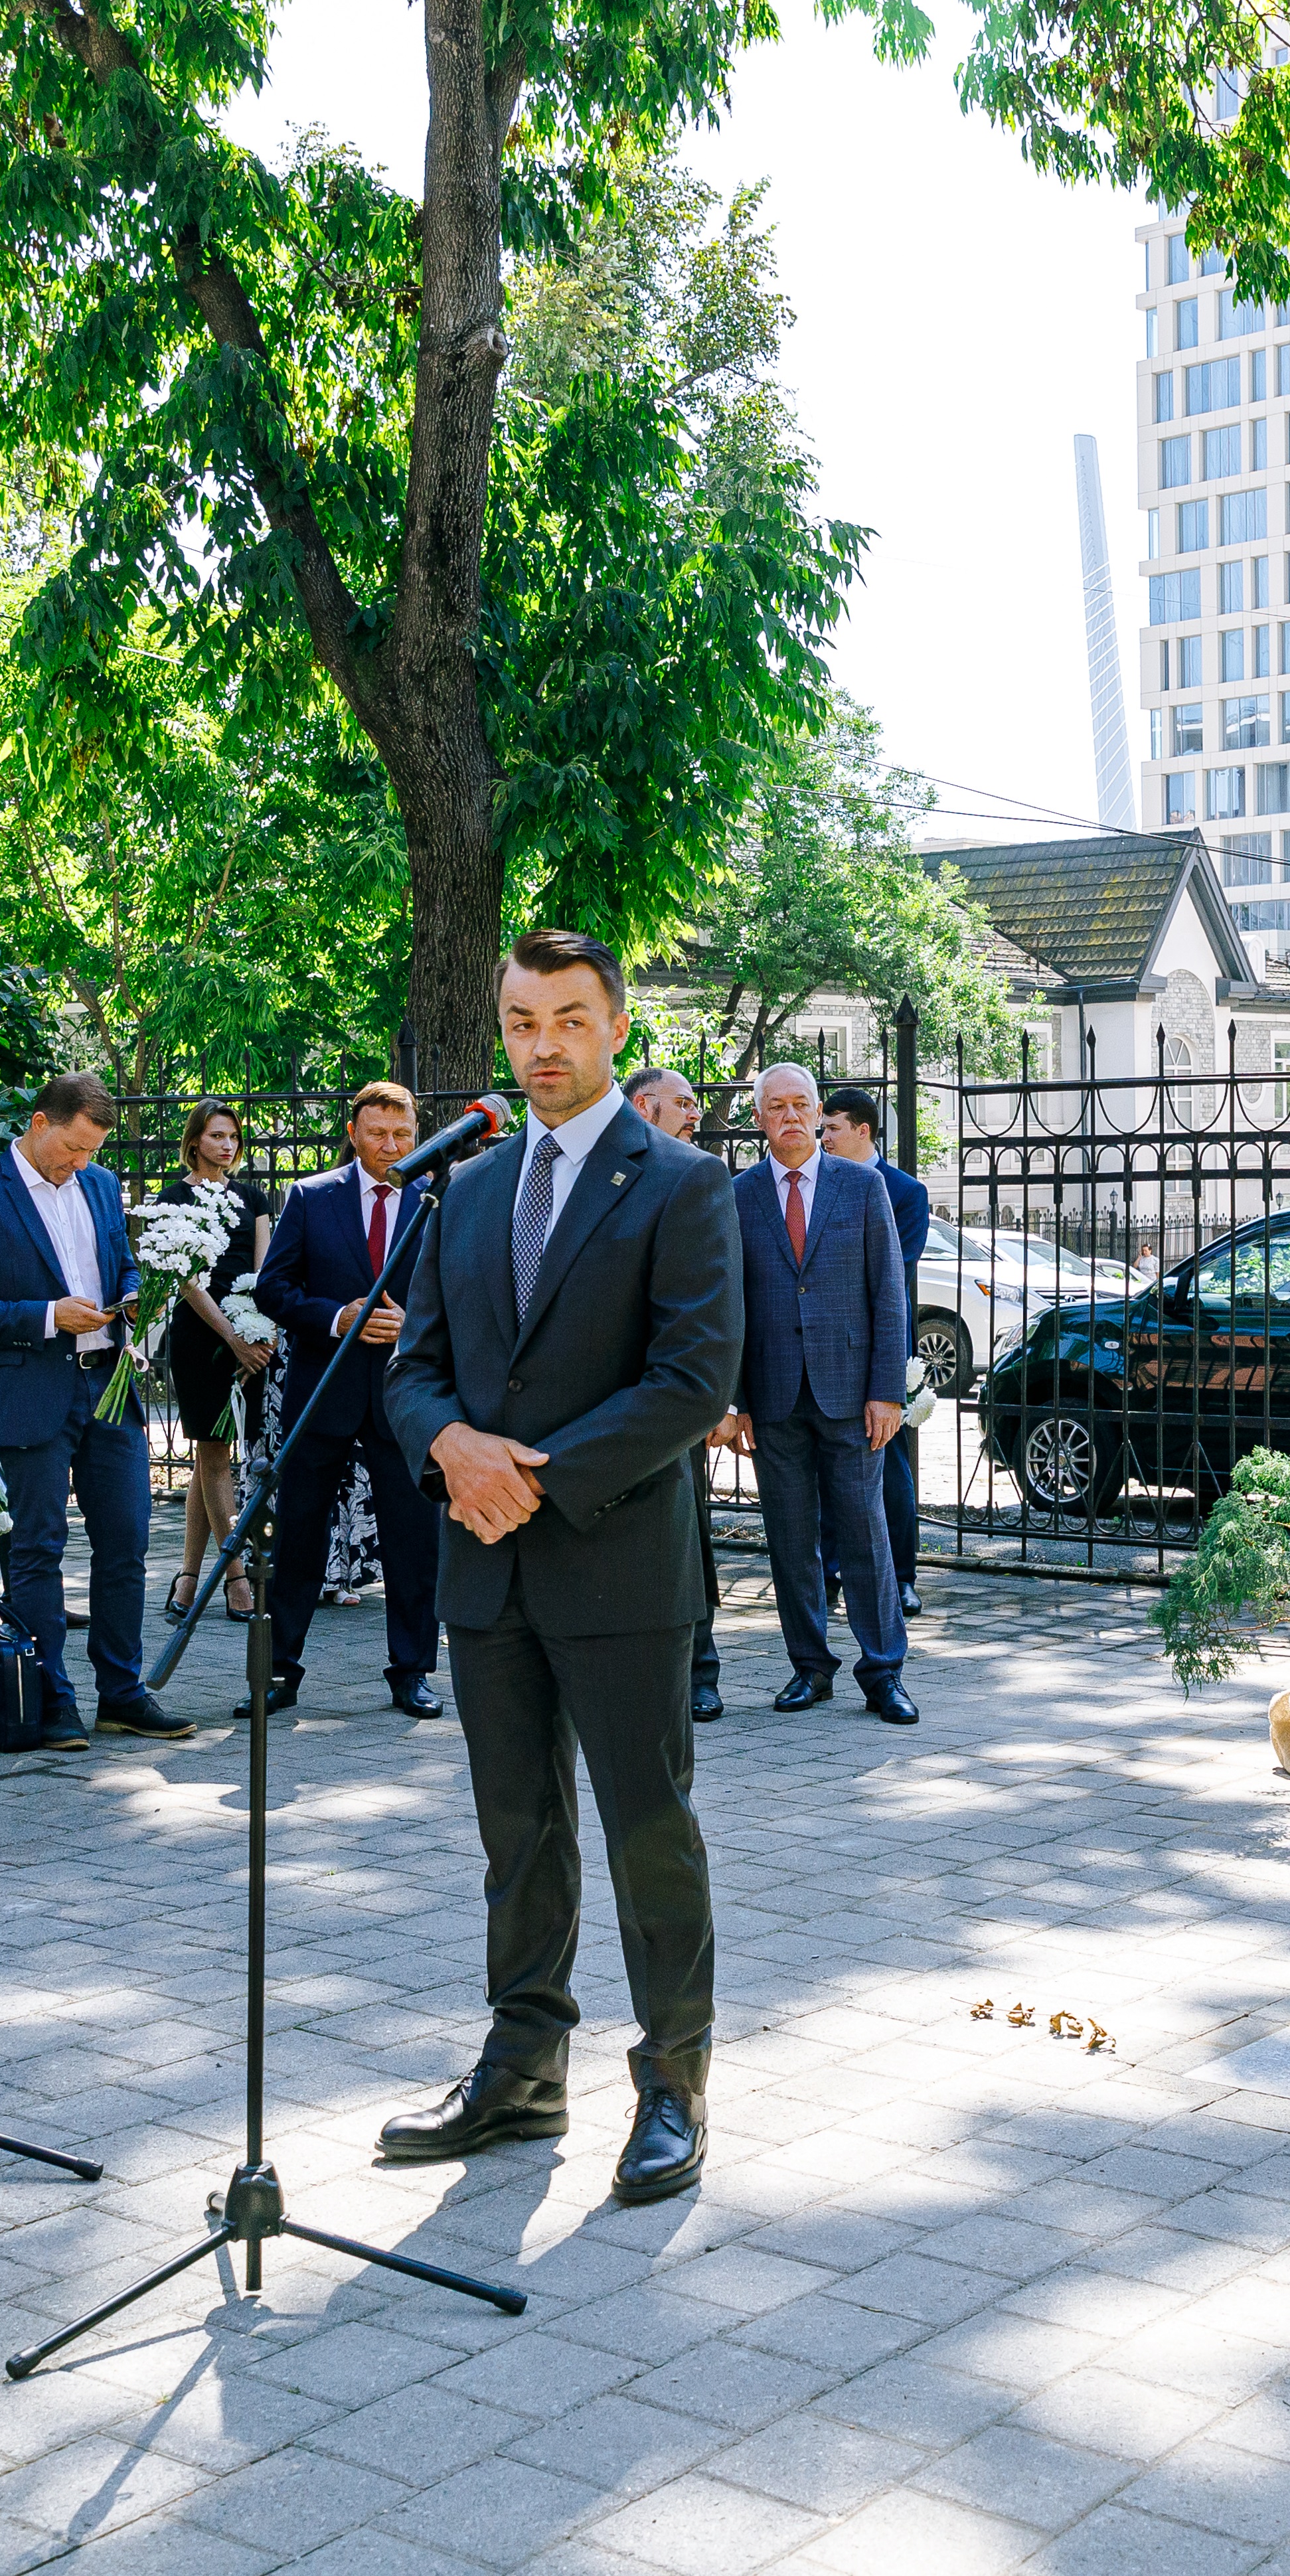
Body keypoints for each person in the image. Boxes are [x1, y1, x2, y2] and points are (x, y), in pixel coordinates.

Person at [377, 931, 742, 2205]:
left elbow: (692, 1381)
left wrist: (522, 1474)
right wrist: (447, 1444)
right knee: (516, 1834)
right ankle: (523, 2071)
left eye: (569, 1020)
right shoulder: (464, 1190)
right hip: (483, 1576)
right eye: (522, 1020)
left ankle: (672, 2081)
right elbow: (411, 1365)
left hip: (617, 1568)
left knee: (650, 1836)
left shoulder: (682, 1183)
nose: (542, 1045)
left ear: (615, 1028)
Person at [0, 1073, 196, 1748]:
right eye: (74, 1148)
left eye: (93, 1153)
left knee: (127, 1544)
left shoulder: (101, 1187)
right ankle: (50, 1701)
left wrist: (134, 1294)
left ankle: (123, 1694)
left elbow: (122, 1263)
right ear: (41, 1123)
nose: (82, 1164)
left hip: (109, 1388)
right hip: (27, 1394)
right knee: (37, 1550)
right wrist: (47, 1316)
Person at [250, 1082, 447, 1720]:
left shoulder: (438, 1200)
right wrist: (338, 1318)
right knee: (301, 1534)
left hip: (405, 1396)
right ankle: (278, 1670)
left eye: (402, 1134)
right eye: (378, 1133)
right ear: (354, 1134)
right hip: (323, 1392)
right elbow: (273, 1290)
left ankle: (412, 1672)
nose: (391, 1146)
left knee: (414, 1540)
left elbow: (463, 1297)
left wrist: (411, 1320)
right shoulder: (310, 1197)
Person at [722, 1063, 912, 1724]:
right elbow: (729, 1305)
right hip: (773, 1398)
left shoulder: (862, 1187)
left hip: (853, 1394)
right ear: (759, 1119)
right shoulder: (738, 1194)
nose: (792, 1116)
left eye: (803, 1104)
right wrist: (737, 1399)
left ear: (818, 1111)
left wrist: (888, 1390)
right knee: (790, 1539)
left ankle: (883, 1671)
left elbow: (889, 1294)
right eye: (777, 1106)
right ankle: (810, 1667)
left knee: (865, 1534)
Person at [624, 1068, 727, 1723]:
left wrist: (725, 1400)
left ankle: (701, 1672)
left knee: (688, 1539)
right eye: (685, 1103)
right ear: (645, 1106)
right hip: (598, 1397)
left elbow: (722, 1303)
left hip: (673, 1398)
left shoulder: (695, 1179)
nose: (695, 1114)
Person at [154, 1100, 280, 1635]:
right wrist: (230, 1338)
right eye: (216, 1136)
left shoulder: (253, 1198)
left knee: (220, 1456)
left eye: (233, 1137)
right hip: (200, 1337)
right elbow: (185, 1280)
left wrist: (258, 1335)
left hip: (249, 1338)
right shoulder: (174, 1197)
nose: (227, 1146)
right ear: (195, 1141)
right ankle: (234, 1574)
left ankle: (186, 1574)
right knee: (212, 1449)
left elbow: (265, 1271)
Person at [816, 1085, 930, 1643]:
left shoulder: (906, 1193)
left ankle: (902, 1577)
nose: (824, 1138)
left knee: (889, 1468)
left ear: (863, 1130)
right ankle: (830, 1572)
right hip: (824, 1350)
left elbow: (893, 1265)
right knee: (828, 1467)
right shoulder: (819, 1181)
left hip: (881, 1347)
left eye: (833, 1128)